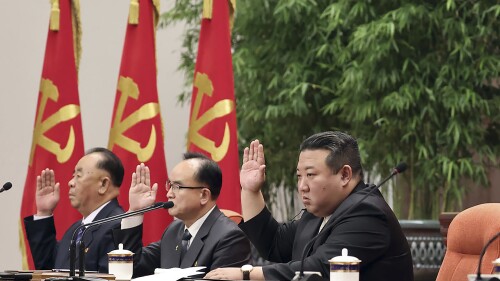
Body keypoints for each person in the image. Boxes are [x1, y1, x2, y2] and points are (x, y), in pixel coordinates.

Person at [206, 131, 414, 281]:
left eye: (311, 175)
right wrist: (251, 190)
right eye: (299, 176)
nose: (302, 186)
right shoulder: (320, 210)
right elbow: (273, 245)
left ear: (344, 175)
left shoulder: (367, 213)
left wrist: (246, 274)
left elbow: (321, 269)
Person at [113, 152, 251, 278]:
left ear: (204, 195)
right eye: (169, 185)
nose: (169, 194)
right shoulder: (174, 230)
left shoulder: (230, 237)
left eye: (177, 187)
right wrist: (135, 211)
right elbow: (133, 268)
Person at [24, 147, 125, 273]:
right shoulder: (76, 229)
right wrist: (44, 213)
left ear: (103, 184)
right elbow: (49, 270)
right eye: (73, 176)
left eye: (78, 176)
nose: (71, 182)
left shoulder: (118, 227)